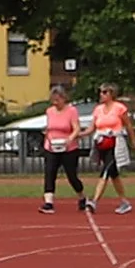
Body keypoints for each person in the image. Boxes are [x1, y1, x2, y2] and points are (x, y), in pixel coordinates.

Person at [39, 84, 88, 213]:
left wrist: (70, 138)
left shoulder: (71, 111)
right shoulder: (49, 111)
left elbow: (76, 127)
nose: (55, 103)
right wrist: (47, 138)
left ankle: (82, 197)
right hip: (51, 147)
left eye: (57, 100)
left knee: (71, 176)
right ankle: (48, 202)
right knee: (49, 173)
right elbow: (49, 127)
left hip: (69, 148)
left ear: (63, 98)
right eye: (53, 100)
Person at [88, 83, 135, 214]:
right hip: (102, 143)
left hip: (115, 143)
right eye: (100, 92)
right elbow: (92, 127)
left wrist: (133, 141)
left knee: (106, 171)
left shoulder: (120, 108)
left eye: (104, 92)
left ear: (111, 94)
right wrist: (78, 135)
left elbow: (128, 126)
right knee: (113, 174)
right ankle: (124, 201)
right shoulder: (98, 109)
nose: (101, 95)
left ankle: (94, 201)